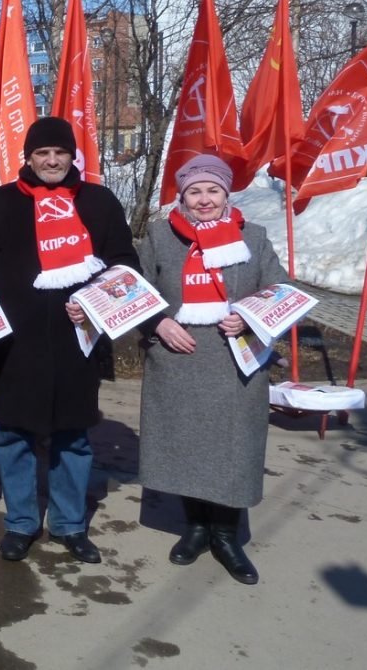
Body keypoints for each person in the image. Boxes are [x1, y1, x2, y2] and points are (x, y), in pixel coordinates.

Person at [0, 116, 139, 565]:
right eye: (42, 153)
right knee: (14, 436)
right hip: (15, 343)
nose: (51, 160)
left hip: (78, 341)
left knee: (73, 437)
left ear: (72, 156)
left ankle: (69, 524)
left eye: (60, 152)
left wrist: (95, 304)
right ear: (28, 157)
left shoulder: (98, 202)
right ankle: (21, 522)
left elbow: (125, 265)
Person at [136, 154, 288, 585]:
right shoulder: (161, 236)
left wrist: (251, 317)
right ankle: (196, 528)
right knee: (186, 446)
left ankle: (226, 536)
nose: (204, 200)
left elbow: (282, 289)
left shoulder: (253, 237)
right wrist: (158, 322)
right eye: (195, 192)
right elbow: (135, 288)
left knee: (233, 451)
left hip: (236, 365)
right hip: (178, 360)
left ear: (226, 194)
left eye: (213, 191)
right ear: (182, 197)